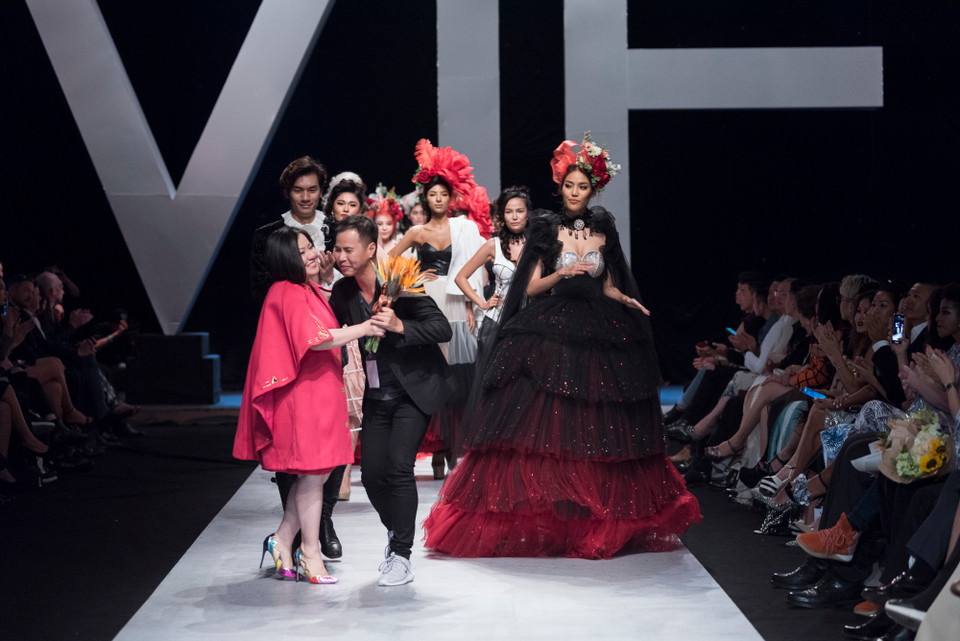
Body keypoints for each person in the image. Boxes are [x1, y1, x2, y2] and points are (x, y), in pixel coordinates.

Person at [422, 134, 701, 558]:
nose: (574, 193)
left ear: (593, 189)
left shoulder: (603, 228)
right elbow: (531, 287)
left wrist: (626, 300)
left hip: (600, 326)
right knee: (548, 422)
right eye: (569, 185)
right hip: (554, 322)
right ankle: (552, 515)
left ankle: (592, 516)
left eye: (582, 187)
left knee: (597, 426)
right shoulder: (546, 227)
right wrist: (563, 275)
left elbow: (608, 284)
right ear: (560, 187)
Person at [234, 227, 383, 584]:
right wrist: (365, 327)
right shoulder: (286, 291)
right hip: (304, 398)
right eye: (301, 252)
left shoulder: (305, 289)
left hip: (318, 393)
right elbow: (317, 340)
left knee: (314, 475)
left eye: (310, 247)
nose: (312, 254)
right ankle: (310, 553)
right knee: (313, 476)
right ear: (285, 258)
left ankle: (282, 540)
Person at [328, 215, 452, 586]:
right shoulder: (343, 292)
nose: (341, 257)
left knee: (399, 467)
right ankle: (397, 533)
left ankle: (401, 555)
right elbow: (330, 331)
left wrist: (399, 326)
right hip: (376, 395)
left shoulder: (400, 282)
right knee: (372, 476)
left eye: (349, 250)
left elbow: (441, 328)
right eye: (337, 250)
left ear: (370, 249)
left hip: (412, 392)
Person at [247, 157, 344, 560]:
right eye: (298, 190)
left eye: (313, 189)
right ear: (287, 192)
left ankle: (321, 523)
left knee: (331, 445)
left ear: (322, 191)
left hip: (333, 332)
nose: (306, 197)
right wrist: (302, 291)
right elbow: (261, 289)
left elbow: (355, 276)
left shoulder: (335, 229)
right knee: (296, 448)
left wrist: (327, 279)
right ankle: (306, 539)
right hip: (293, 342)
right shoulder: (269, 234)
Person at [388, 140, 485, 478]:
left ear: (451, 197)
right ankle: (438, 449)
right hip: (429, 300)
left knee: (457, 377)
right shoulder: (418, 231)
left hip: (457, 301)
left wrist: (470, 307)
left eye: (444, 194)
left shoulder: (463, 228)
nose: (439, 199)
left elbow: (472, 269)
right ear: (425, 198)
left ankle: (453, 447)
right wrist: (413, 276)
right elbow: (388, 260)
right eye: (433, 194)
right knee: (433, 370)